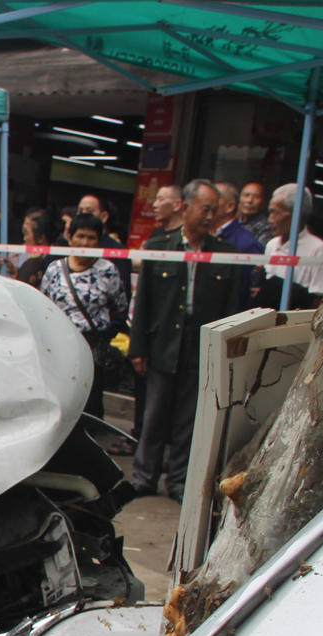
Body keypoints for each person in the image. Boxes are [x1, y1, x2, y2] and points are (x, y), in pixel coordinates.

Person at [127, 179, 244, 502]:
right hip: (162, 343)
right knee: (154, 416)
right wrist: (138, 347)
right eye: (205, 209)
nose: (209, 216)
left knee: (187, 420)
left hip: (200, 346)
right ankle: (144, 476)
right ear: (185, 207)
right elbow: (144, 302)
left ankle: (177, 479)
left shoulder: (225, 254)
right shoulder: (159, 246)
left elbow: (231, 308)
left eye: (214, 211)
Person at [41, 212, 128, 418]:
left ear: (99, 241)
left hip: (91, 348)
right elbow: (43, 304)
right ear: (70, 238)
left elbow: (119, 306)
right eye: (80, 236)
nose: (85, 242)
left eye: (91, 238)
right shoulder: (55, 269)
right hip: (58, 346)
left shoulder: (108, 271)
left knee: (89, 402)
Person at [259, 183, 323, 308]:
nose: (270, 219)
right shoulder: (272, 244)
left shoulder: (318, 248)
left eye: (275, 213)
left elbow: (318, 298)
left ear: (295, 215)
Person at [214, 181, 264, 300]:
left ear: (230, 206)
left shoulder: (246, 244)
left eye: (214, 199)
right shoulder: (206, 236)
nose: (207, 204)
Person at [15, 210, 57, 286]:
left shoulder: (52, 264)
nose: (24, 239)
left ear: (41, 238)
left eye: (26, 233)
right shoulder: (27, 255)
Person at [238, 181, 273, 245]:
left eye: (256, 197)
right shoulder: (235, 223)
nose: (249, 200)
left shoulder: (266, 227)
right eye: (246, 195)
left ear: (264, 202)